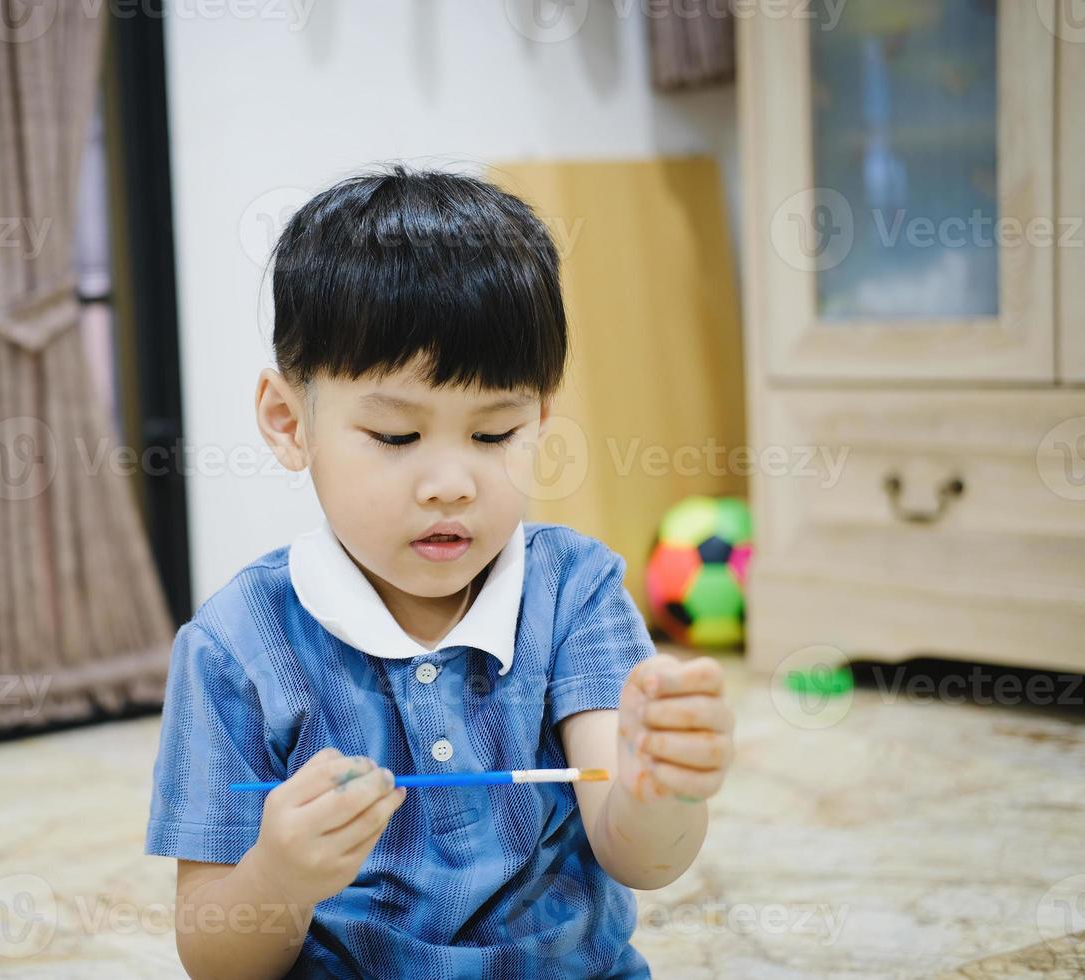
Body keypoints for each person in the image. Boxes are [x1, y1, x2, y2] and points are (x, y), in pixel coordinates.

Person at [144, 163, 735, 978]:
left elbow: (643, 858)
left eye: (495, 435)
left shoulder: (575, 592)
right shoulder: (234, 646)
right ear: (289, 422)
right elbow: (216, 957)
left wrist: (664, 784)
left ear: (539, 420)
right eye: (395, 437)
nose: (451, 482)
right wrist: (280, 877)